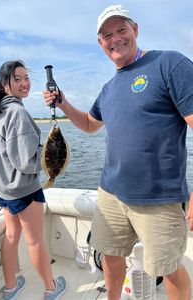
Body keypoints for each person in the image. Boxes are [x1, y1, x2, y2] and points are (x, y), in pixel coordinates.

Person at [43, 4, 193, 300]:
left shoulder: (169, 63)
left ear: (135, 29)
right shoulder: (109, 88)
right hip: (111, 192)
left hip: (159, 197)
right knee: (110, 255)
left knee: (168, 267)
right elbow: (89, 124)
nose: (115, 39)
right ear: (101, 43)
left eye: (121, 29)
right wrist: (63, 103)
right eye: (107, 35)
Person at [0, 60, 66, 300]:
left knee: (10, 236)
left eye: (26, 78)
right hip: (24, 190)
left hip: (4, 190)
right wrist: (50, 156)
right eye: (18, 79)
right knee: (35, 241)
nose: (25, 83)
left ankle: (10, 287)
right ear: (5, 83)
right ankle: (51, 289)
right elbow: (27, 162)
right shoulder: (17, 112)